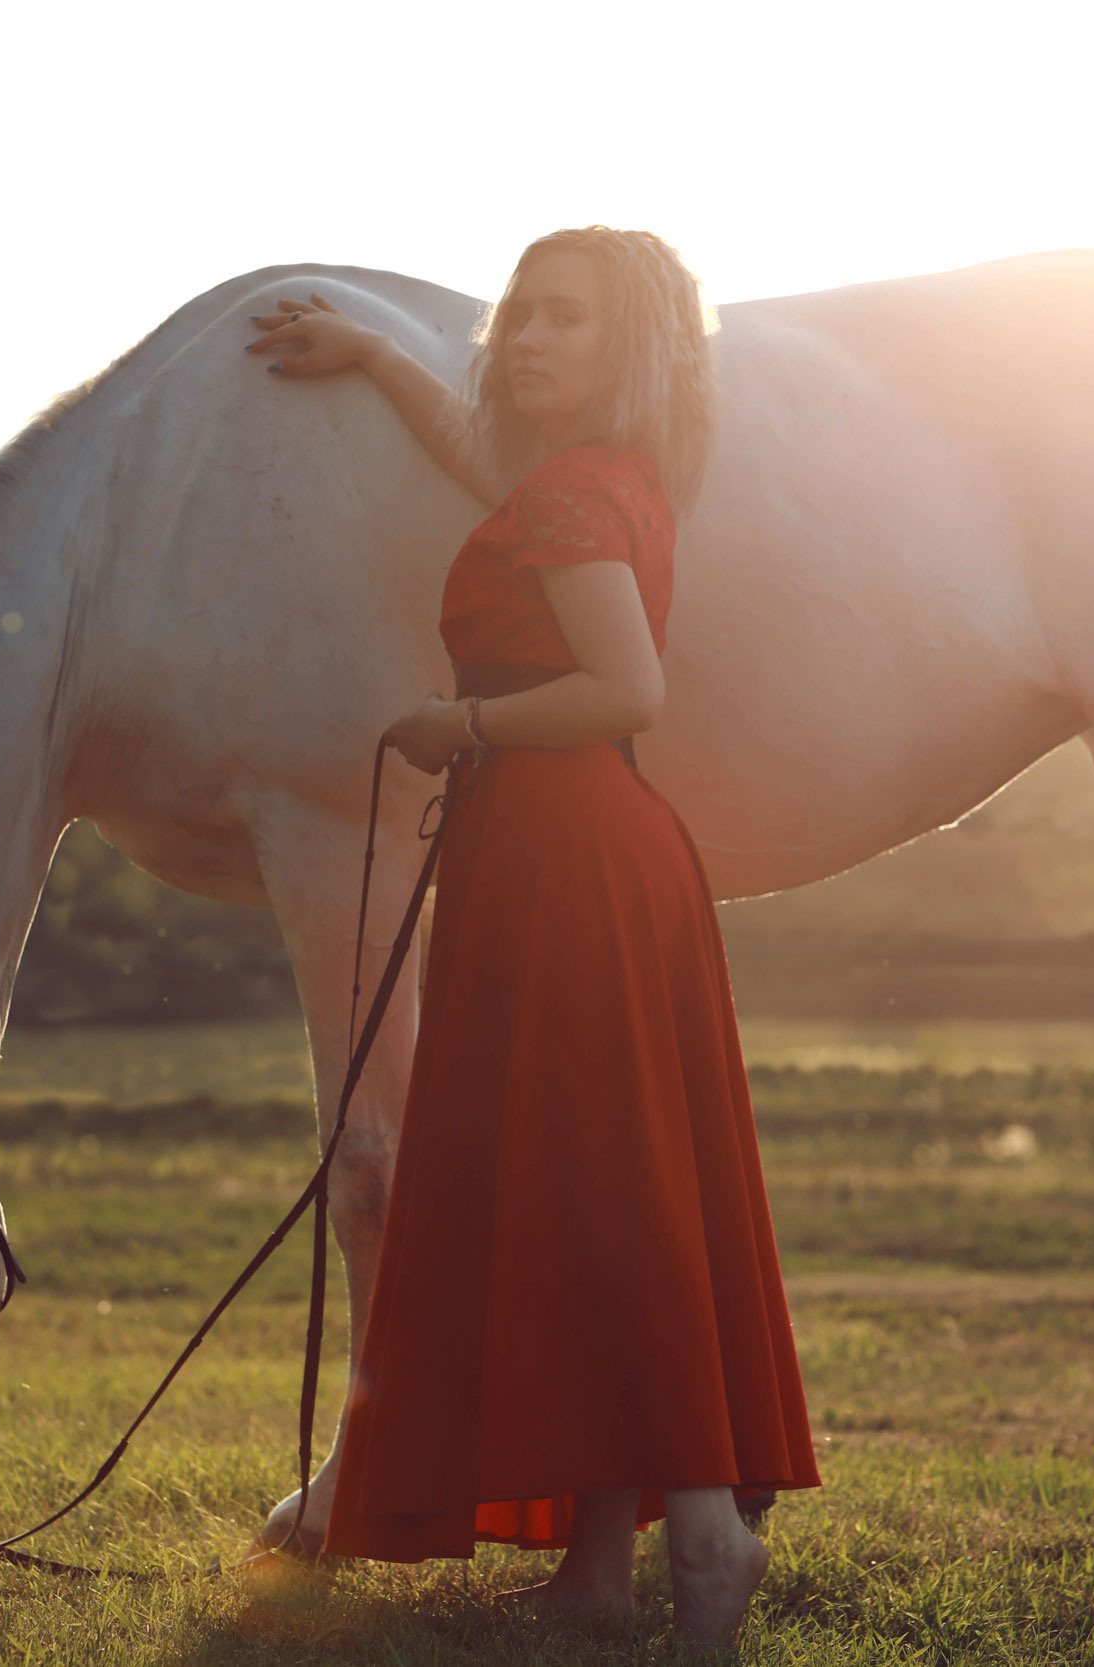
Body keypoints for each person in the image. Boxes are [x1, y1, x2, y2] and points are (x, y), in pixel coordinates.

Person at [243, 227, 819, 1648]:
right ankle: (602, 1569)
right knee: (588, 1186)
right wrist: (379, 353)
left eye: (565, 319)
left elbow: (629, 687)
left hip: (565, 854)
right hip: (561, 855)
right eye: (520, 315)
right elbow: (493, 462)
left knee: (605, 1190)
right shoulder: (600, 481)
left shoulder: (571, 500)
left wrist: (463, 726)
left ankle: (698, 1524)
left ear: (624, 346)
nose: (526, 338)